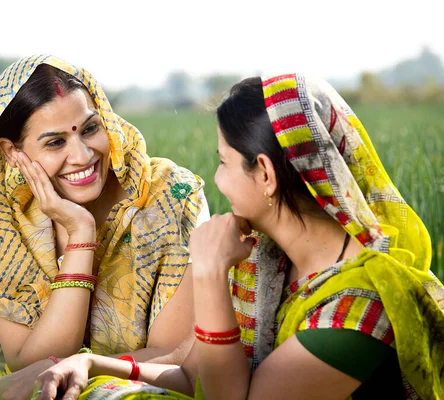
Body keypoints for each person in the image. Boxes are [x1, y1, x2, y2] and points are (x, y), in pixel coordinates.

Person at [29, 74, 444, 400]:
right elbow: (194, 376)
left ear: (264, 173)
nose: (217, 180)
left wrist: (209, 273)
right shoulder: (263, 254)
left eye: (223, 162)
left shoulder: (358, 307)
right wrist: (94, 365)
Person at [0, 54, 210, 395]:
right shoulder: (0, 228)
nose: (82, 156)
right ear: (11, 151)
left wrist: (84, 370)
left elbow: (175, 357)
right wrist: (81, 236)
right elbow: (28, 361)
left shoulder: (170, 197)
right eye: (55, 142)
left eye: (91, 129)